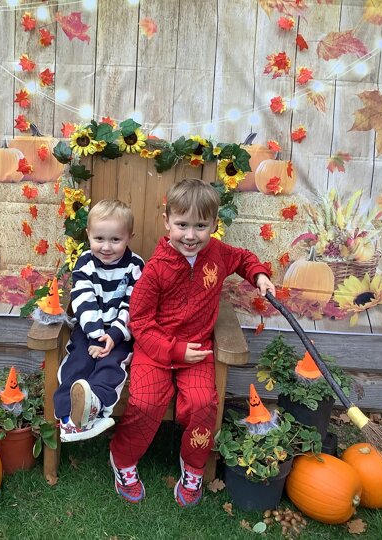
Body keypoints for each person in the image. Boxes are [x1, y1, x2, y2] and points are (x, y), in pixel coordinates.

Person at [109, 178, 276, 506]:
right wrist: (173, 350)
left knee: (202, 404)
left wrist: (259, 274)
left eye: (200, 226)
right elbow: (140, 321)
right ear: (167, 222)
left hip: (197, 351)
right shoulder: (156, 270)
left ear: (214, 224)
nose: (190, 235)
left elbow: (243, 258)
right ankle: (123, 458)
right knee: (144, 403)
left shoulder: (217, 254)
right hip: (156, 351)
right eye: (182, 225)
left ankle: (194, 467)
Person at [54, 199, 145, 442]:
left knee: (111, 366)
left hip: (120, 334)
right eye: (99, 239)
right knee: (78, 362)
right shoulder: (85, 262)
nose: (106, 247)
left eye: (115, 240)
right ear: (88, 235)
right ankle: (67, 418)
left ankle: (94, 406)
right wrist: (95, 335)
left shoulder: (135, 266)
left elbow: (133, 304)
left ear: (129, 237)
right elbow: (83, 299)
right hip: (88, 329)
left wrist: (113, 336)